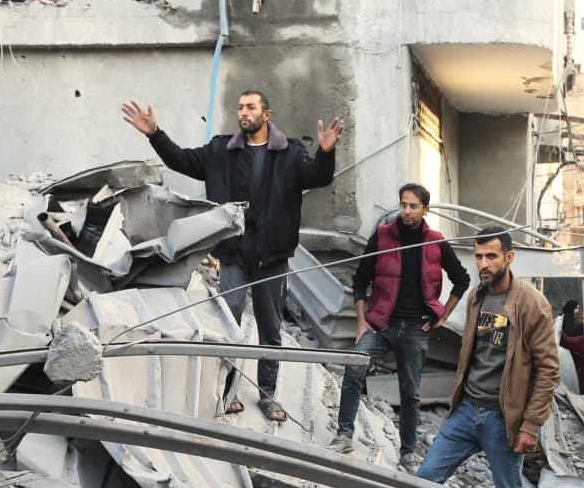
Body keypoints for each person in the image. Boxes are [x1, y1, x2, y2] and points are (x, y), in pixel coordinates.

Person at [121, 91, 344, 422]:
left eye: (250, 107)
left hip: (272, 257)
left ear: (266, 114)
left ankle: (268, 394)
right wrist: (155, 134)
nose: (243, 112)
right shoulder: (220, 150)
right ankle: (226, 391)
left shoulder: (291, 152)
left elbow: (318, 178)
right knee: (228, 322)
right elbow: (181, 159)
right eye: (240, 107)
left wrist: (325, 153)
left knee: (270, 329)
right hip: (234, 255)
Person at [415, 228, 559, 488]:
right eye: (478, 256)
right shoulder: (475, 297)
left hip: (502, 418)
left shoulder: (533, 304)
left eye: (491, 256)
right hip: (466, 411)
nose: (483, 264)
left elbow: (548, 370)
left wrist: (530, 425)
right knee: (425, 481)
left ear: (509, 257)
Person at [333, 184, 471, 467]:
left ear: (425, 209)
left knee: (410, 393)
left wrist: (443, 314)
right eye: (403, 205)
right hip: (380, 325)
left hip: (414, 329)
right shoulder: (382, 237)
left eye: (412, 206)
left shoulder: (435, 241)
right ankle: (344, 435)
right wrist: (361, 321)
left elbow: (462, 279)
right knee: (354, 369)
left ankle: (407, 452)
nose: (406, 211)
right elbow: (360, 280)